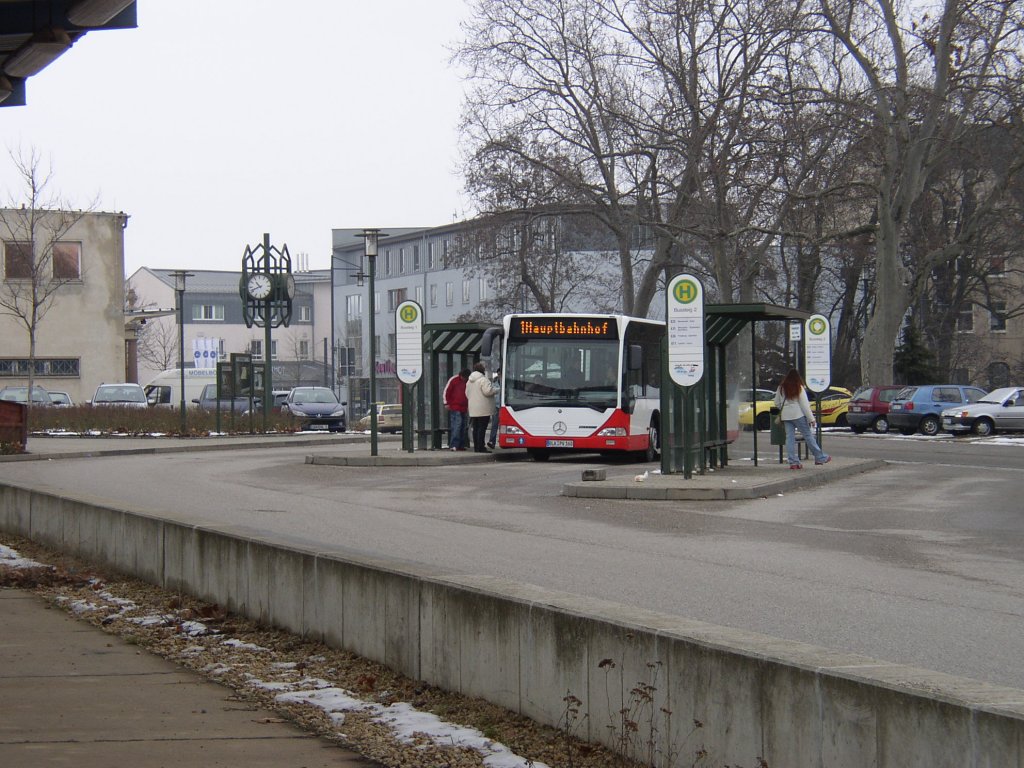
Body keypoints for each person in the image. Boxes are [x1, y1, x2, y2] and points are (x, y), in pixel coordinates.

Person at [773, 369, 831, 470]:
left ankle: (793, 462)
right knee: (808, 435)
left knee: (789, 438)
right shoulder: (798, 387)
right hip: (798, 415)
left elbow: (777, 402)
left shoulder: (781, 387)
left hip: (786, 416)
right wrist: (811, 419)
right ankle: (820, 457)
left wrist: (785, 409)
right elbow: (804, 405)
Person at [466, 362, 496, 453]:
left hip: (473, 408)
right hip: (483, 408)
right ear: (482, 370)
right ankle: (481, 447)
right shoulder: (483, 380)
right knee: (482, 428)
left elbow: (466, 393)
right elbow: (487, 391)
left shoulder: (469, 381)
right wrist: (495, 390)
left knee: (475, 428)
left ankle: (476, 447)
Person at [443, 368, 470, 451]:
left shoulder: (467, 381)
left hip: (464, 407)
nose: (464, 380)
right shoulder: (454, 380)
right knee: (457, 425)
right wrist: (446, 402)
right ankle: (454, 444)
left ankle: (460, 445)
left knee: (462, 426)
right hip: (455, 406)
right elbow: (446, 391)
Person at [486, 368, 501, 449]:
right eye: (498, 374)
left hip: (504, 406)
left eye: (501, 374)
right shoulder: (494, 383)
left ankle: (501, 441)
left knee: (502, 425)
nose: (500, 376)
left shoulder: (507, 383)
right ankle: (492, 441)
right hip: (496, 406)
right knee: (494, 425)